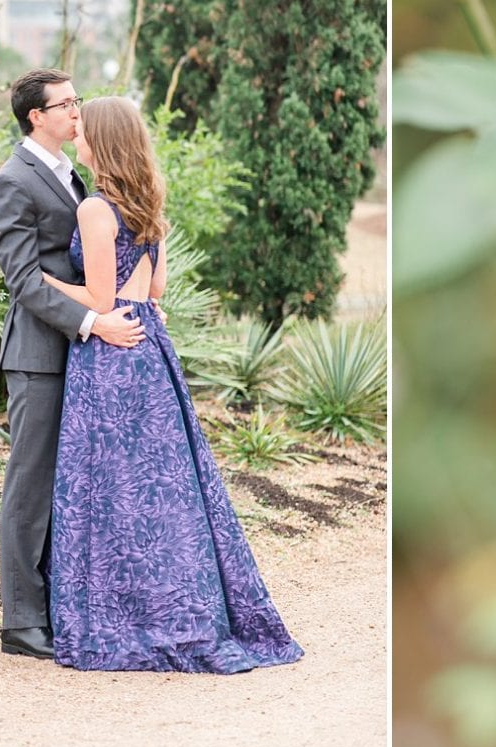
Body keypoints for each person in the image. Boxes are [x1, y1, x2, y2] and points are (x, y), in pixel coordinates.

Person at [37, 94, 303, 672]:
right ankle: (185, 612)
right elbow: (154, 291)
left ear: (101, 140)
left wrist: (43, 282)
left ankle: (124, 617)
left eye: (82, 127)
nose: (75, 134)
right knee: (167, 490)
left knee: (109, 490)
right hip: (151, 347)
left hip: (110, 352)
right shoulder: (148, 201)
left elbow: (100, 300)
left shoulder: (96, 210)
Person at [0, 69, 144, 660]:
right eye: (67, 103)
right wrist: (94, 321)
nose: (77, 110)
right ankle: (22, 623)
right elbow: (24, 281)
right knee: (30, 485)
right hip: (39, 355)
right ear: (37, 117)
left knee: (69, 486)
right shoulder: (12, 182)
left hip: (81, 352)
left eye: (78, 101)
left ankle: (61, 605)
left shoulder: (69, 174)